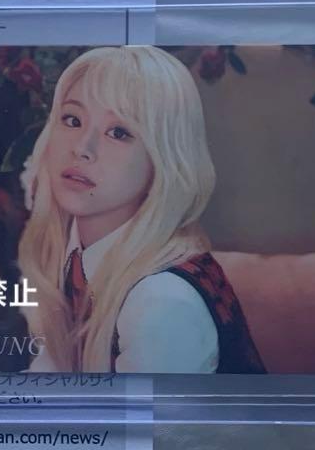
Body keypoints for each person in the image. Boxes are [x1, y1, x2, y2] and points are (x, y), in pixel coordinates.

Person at [18, 46, 266, 375]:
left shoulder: (161, 301)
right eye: (72, 120)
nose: (82, 148)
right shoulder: (73, 256)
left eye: (118, 132)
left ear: (163, 160)